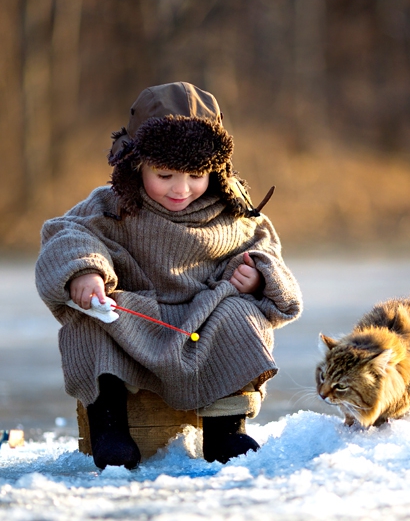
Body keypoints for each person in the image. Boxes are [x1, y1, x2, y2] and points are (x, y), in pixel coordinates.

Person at [35, 82, 303, 469]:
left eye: (196, 175)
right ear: (135, 163)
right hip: (133, 321)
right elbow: (67, 233)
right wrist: (85, 272)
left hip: (205, 321)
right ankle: (109, 427)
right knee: (90, 321)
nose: (181, 189)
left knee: (244, 317)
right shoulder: (111, 206)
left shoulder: (234, 213)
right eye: (164, 175)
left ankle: (225, 429)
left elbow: (268, 252)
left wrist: (259, 276)